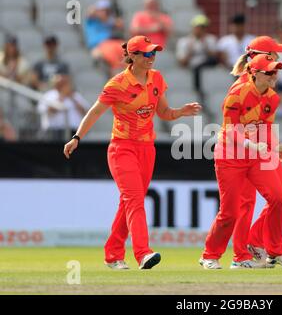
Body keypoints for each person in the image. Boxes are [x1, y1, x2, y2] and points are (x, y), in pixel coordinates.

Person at [63, 35, 201, 270]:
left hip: (147, 149)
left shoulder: (156, 78)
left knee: (128, 202)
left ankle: (113, 255)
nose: (151, 57)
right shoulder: (117, 84)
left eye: (154, 53)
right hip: (122, 148)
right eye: (146, 54)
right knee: (135, 200)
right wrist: (77, 137)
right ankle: (143, 253)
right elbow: (95, 112)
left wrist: (181, 112)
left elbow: (164, 113)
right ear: (133, 56)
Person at [199, 54, 282, 269]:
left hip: (253, 156)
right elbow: (230, 130)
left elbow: (266, 127)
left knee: (278, 195)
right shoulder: (237, 94)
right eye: (269, 72)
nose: (274, 76)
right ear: (254, 73)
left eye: (276, 71)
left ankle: (274, 249)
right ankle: (210, 255)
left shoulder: (272, 97)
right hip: (230, 156)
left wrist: (274, 147)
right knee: (230, 212)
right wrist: (253, 146)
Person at [226, 36, 282, 268]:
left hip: (261, 150)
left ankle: (259, 242)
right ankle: (242, 254)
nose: (277, 58)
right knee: (246, 204)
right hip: (243, 152)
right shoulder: (242, 87)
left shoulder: (266, 85)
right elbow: (235, 127)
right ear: (258, 57)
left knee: (281, 195)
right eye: (274, 54)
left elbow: (264, 123)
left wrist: (274, 148)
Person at [176, 14, 218, 102]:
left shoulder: (210, 39)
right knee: (197, 68)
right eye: (198, 27)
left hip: (206, 68)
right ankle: (197, 93)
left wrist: (205, 45)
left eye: (203, 27)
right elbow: (182, 62)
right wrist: (190, 51)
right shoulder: (184, 42)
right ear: (193, 28)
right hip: (191, 69)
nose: (201, 30)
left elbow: (215, 58)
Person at [38, 74, 89, 141]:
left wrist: (72, 97)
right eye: (60, 83)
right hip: (54, 131)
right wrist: (62, 96)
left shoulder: (76, 95)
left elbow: (85, 112)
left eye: (64, 83)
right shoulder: (49, 95)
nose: (62, 85)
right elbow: (49, 111)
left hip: (74, 131)